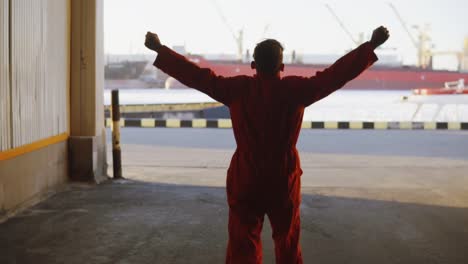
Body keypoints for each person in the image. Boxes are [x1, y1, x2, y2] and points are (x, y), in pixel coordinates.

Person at [145, 26, 390, 264]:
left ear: (253, 65)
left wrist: (160, 50)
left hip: (246, 176)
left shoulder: (237, 89)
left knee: (243, 243)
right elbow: (335, 75)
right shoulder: (296, 90)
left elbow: (198, 77)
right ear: (282, 66)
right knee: (288, 241)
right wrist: (370, 46)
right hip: (283, 178)